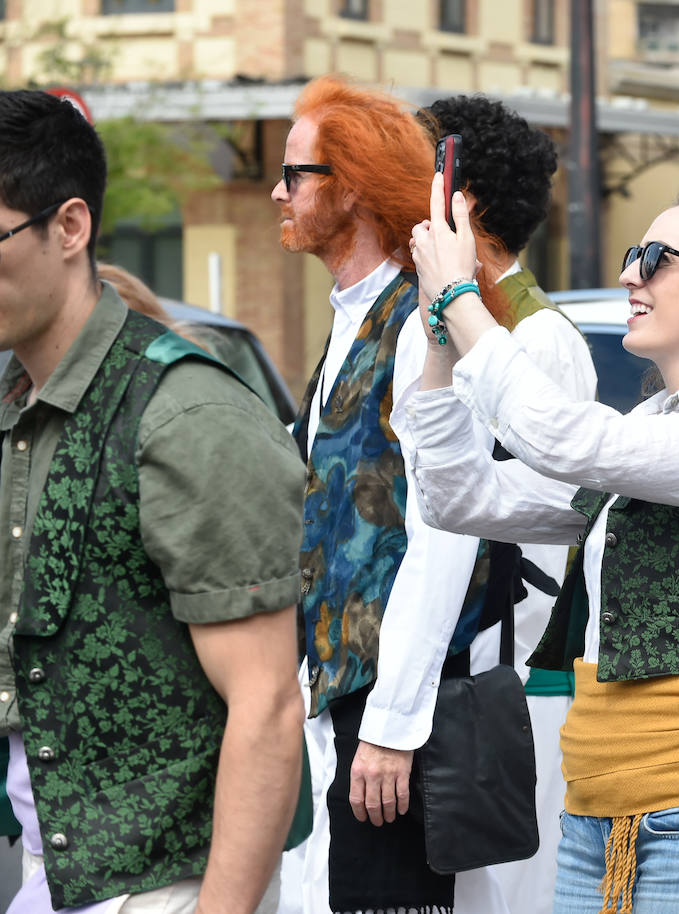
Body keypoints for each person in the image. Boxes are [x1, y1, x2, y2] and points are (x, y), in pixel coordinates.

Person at [398, 182, 679, 913]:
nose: (629, 275)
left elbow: (570, 439)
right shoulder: (653, 425)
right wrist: (438, 336)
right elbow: (461, 498)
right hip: (596, 812)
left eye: (653, 257)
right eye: (631, 255)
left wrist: (462, 296)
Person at [0, 89, 305, 913]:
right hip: (53, 865)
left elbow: (268, 703)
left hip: (166, 884)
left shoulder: (185, 411)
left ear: (70, 228)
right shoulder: (16, 399)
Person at [271, 76, 492, 914]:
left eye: (296, 174)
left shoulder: (417, 322)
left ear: (351, 184)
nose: (277, 193)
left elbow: (444, 535)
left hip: (390, 716)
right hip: (337, 704)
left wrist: (394, 728)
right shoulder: (353, 318)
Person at [420, 93, 597, 914]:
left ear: (462, 205)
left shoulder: (538, 338)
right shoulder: (447, 323)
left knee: (516, 894)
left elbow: (527, 511)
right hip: (469, 677)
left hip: (515, 683)